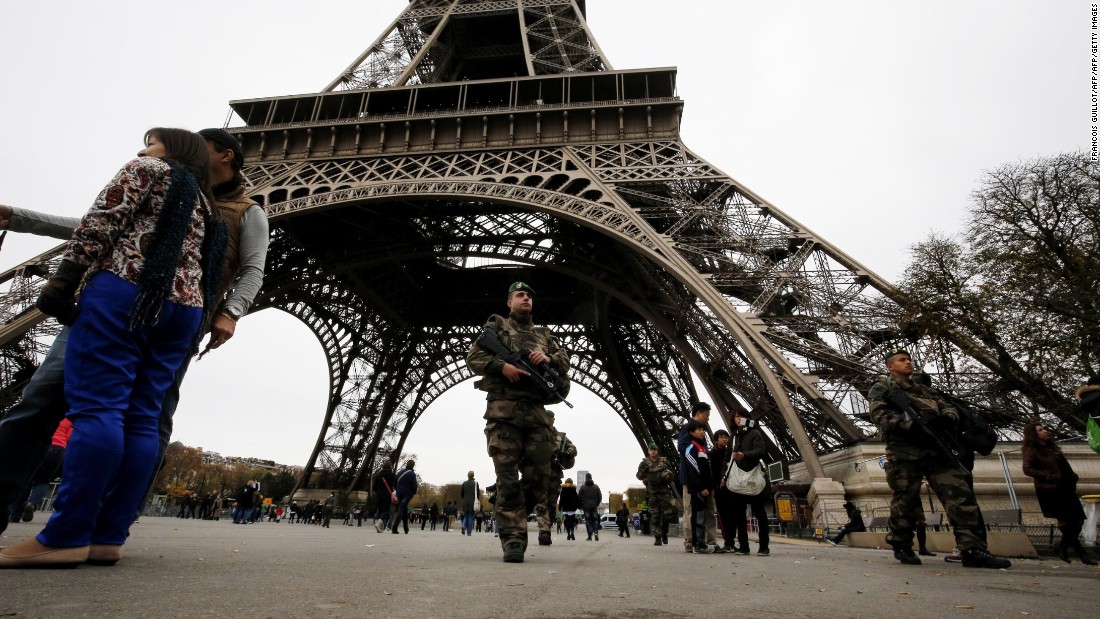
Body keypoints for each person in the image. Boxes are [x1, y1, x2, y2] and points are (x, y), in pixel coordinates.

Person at [0, 127, 268, 540]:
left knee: (144, 417)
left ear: (226, 155)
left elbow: (252, 268)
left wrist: (231, 311)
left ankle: (105, 525)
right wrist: (21, 217)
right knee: (44, 399)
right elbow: (99, 222)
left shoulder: (242, 209)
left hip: (152, 311)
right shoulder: (183, 188)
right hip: (143, 308)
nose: (143, 150)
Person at [869, 345, 1010, 568]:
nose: (908, 362)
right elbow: (879, 416)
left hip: (937, 449)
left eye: (909, 358)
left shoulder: (926, 390)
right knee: (906, 500)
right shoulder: (883, 387)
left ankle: (972, 549)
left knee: (960, 496)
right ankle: (901, 543)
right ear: (890, 366)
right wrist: (911, 426)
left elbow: (949, 408)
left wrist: (945, 419)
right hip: (905, 453)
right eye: (901, 359)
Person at [465, 281, 571, 563]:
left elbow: (564, 361)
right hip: (504, 413)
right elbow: (473, 356)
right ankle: (513, 537)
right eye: (519, 295)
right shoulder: (497, 328)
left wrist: (547, 357)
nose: (526, 298)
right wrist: (503, 366)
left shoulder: (545, 335)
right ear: (509, 303)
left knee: (540, 477)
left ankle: (511, 513)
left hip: (536, 415)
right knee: (508, 478)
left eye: (529, 295)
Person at [1021, 421, 1096, 565]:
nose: (1044, 431)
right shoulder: (1032, 449)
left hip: (1066, 487)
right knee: (1065, 521)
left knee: (1078, 519)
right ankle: (1082, 554)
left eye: (1044, 428)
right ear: (1033, 435)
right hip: (1051, 489)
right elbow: (1027, 469)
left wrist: (1072, 477)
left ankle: (1061, 546)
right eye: (1040, 430)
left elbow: (1062, 466)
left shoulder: (1051, 447)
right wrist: (1050, 477)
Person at [724, 410, 772, 556]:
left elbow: (761, 451)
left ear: (747, 418)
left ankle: (764, 546)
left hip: (752, 478)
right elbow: (727, 459)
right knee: (739, 515)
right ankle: (744, 546)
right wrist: (723, 477)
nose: (739, 419)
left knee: (759, 514)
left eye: (741, 416)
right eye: (736, 416)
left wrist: (744, 455)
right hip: (738, 480)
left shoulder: (755, 433)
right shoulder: (733, 436)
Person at [6, 419, 71, 525]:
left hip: (41, 444)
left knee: (28, 479)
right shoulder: (69, 418)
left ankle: (15, 514)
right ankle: (32, 503)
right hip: (58, 449)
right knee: (44, 480)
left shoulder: (46, 411)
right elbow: (70, 437)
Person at [677, 402, 720, 553]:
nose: (708, 419)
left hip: (704, 480)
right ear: (699, 413)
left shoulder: (699, 435)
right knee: (693, 511)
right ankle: (692, 541)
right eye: (707, 415)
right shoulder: (689, 430)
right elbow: (683, 449)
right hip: (692, 480)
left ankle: (709, 542)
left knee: (706, 511)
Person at [534, 427, 576, 546]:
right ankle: (544, 531)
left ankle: (547, 527)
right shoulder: (535, 433)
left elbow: (573, 449)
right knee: (541, 503)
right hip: (540, 475)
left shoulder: (560, 437)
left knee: (551, 504)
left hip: (554, 475)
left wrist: (566, 453)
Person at [681, 420, 714, 554]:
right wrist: (702, 487)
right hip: (697, 488)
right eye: (699, 429)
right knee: (698, 516)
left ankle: (701, 542)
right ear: (691, 432)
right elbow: (693, 469)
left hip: (704, 487)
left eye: (703, 429)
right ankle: (697, 543)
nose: (702, 431)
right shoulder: (691, 447)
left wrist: (709, 486)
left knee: (702, 516)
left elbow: (706, 470)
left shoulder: (703, 448)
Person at [636, 442, 677, 546]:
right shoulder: (644, 463)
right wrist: (644, 470)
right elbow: (639, 476)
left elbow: (672, 475)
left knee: (667, 516)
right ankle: (657, 537)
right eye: (651, 450)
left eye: (654, 450)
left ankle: (664, 532)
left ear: (657, 451)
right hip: (652, 493)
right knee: (655, 516)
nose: (653, 451)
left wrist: (666, 475)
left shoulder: (664, 462)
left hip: (664, 493)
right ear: (648, 451)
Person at [709, 429, 736, 552]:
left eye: (726, 437)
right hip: (720, 488)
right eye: (722, 437)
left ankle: (730, 541)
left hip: (730, 487)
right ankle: (728, 542)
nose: (724, 439)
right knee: (723, 516)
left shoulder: (729, 453)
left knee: (731, 516)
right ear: (716, 439)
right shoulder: (712, 454)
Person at [390, 460, 418, 534]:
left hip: (399, 493)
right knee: (402, 508)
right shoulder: (412, 474)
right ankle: (394, 527)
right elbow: (414, 485)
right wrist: (413, 492)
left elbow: (395, 483)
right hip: (407, 493)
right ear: (413, 465)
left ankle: (406, 528)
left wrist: (397, 490)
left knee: (404, 508)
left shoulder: (400, 472)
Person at [578, 473, 603, 541]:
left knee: (588, 521)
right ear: (591, 477)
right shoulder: (596, 487)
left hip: (586, 507)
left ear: (586, 478)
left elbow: (579, 498)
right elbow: (600, 497)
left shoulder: (583, 487)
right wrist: (596, 504)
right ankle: (595, 532)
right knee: (595, 520)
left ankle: (589, 536)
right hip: (594, 506)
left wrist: (581, 506)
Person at [374, 465, 396, 533]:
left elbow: (375, 486)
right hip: (387, 494)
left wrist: (377, 492)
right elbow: (395, 485)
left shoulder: (378, 475)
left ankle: (380, 525)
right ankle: (379, 523)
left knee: (380, 509)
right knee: (386, 510)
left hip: (379, 494)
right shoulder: (392, 475)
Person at [460, 471, 479, 536]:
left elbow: (462, 494)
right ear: (473, 475)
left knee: (466, 515)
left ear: (467, 475)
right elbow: (478, 494)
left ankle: (464, 526)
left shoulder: (464, 483)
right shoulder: (475, 483)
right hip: (472, 502)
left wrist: (464, 498)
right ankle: (469, 532)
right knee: (471, 516)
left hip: (465, 501)